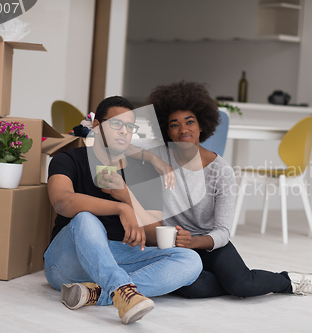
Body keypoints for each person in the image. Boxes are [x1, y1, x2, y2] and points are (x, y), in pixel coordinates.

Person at [144, 81, 312, 298]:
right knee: (190, 288)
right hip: (176, 246)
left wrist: (195, 242)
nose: (183, 130)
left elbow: (222, 232)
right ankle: (221, 280)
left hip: (209, 242)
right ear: (166, 131)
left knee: (242, 286)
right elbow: (123, 149)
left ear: (201, 125)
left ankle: (289, 281)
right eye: (174, 124)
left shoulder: (221, 170)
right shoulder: (158, 159)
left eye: (190, 122)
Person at [44, 96, 202, 324]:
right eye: (116, 123)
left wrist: (127, 196)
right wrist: (120, 208)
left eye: (130, 126)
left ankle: (98, 293)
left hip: (118, 254)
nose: (124, 131)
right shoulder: (68, 159)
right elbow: (62, 202)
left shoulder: (145, 172)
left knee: (191, 261)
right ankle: (119, 289)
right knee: (86, 218)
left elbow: (152, 235)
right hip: (68, 259)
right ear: (97, 127)